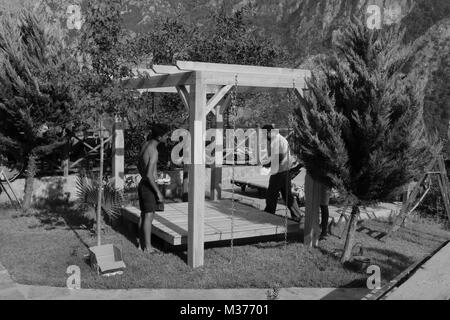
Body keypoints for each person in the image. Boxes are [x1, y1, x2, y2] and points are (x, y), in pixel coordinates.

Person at [137, 124, 171, 253]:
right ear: (159, 137)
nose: (167, 137)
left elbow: (139, 165)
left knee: (143, 215)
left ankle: (141, 245)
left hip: (143, 184)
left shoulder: (145, 145)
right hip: (149, 186)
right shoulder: (154, 151)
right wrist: (158, 192)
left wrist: (144, 178)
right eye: (166, 135)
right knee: (149, 216)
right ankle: (148, 248)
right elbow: (150, 174)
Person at [262, 124, 303, 221]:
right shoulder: (273, 140)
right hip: (281, 170)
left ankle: (269, 213)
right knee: (287, 195)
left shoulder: (279, 140)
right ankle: (297, 215)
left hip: (281, 171)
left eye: (264, 134)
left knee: (272, 193)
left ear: (269, 132)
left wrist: (268, 164)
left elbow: (280, 156)